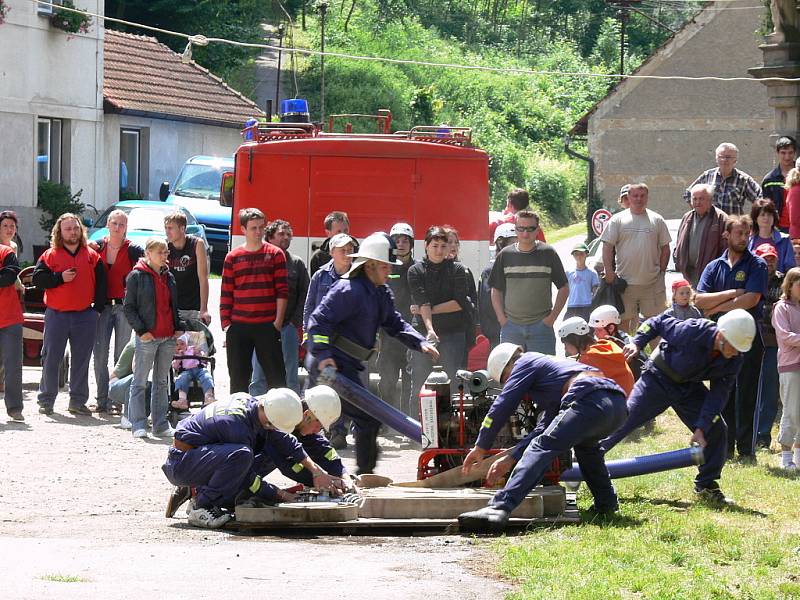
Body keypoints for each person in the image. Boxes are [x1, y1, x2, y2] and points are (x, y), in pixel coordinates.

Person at [306, 233, 440, 474]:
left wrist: (420, 343)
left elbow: (395, 324)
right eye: (386, 266)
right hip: (329, 368)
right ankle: (355, 473)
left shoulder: (380, 293)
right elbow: (318, 322)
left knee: (362, 419)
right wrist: (324, 354)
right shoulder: (347, 290)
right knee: (317, 418)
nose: (389, 272)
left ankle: (362, 474)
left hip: (348, 367)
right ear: (370, 265)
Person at [457, 344, 627, 531]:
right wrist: (510, 458)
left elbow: (502, 404)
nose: (510, 384)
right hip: (616, 404)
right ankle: (606, 503)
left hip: (587, 398)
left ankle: (498, 508)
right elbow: (543, 428)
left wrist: (481, 445)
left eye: (506, 380)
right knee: (587, 449)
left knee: (540, 447)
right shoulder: (553, 372)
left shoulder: (525, 362)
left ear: (508, 365)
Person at [601, 310, 755, 505]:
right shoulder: (693, 330)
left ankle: (706, 485)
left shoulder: (735, 359)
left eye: (739, 349)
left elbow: (719, 395)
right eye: (733, 346)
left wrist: (701, 427)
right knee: (623, 420)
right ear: (721, 334)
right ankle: (584, 462)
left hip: (688, 388)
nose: (735, 352)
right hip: (658, 378)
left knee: (716, 430)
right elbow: (657, 321)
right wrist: (637, 342)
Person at [162, 389, 343, 529]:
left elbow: (286, 441)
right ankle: (200, 506)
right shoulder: (236, 428)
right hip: (181, 464)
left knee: (255, 454)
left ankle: (199, 490)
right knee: (242, 457)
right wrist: (280, 495)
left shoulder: (258, 407)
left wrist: (316, 472)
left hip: (195, 456)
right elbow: (247, 478)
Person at [696, 214, 768, 460]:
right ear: (726, 235)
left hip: (748, 336)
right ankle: (724, 446)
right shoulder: (714, 266)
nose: (744, 237)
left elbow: (751, 299)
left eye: (747, 233)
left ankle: (746, 449)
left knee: (746, 391)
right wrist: (732, 293)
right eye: (739, 233)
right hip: (720, 338)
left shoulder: (756, 264)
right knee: (721, 390)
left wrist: (716, 307)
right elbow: (699, 299)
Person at [33, 213, 106, 416]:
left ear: (80, 230)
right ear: (60, 232)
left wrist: (97, 310)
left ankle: (77, 401)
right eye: (68, 229)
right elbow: (38, 279)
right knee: (50, 358)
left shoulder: (92, 256)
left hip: (85, 315)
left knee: (81, 360)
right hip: (57, 315)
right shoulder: (50, 255)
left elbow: (102, 284)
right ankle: (46, 400)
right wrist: (59, 278)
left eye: (75, 228)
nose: (72, 232)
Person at [124, 237, 186, 439]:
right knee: (140, 381)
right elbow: (129, 308)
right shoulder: (136, 276)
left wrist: (178, 327)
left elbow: (172, 305)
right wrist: (142, 331)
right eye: (160, 252)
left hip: (167, 336)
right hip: (147, 337)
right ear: (148, 254)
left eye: (166, 252)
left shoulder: (169, 276)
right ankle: (138, 424)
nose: (164, 256)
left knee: (161, 382)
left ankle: (160, 424)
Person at [221, 208, 287, 394]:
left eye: (261, 227)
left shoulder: (275, 254)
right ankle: (238, 420)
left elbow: (282, 291)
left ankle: (281, 421)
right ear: (243, 229)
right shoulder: (232, 257)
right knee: (238, 382)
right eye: (253, 228)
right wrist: (227, 324)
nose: (258, 232)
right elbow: (226, 291)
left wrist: (278, 322)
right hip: (239, 326)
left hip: (267, 325)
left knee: (277, 381)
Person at [408, 226, 471, 406]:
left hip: (453, 333)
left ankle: (455, 429)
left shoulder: (458, 269)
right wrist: (430, 330)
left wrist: (425, 309)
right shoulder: (415, 271)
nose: (439, 250)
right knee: (419, 383)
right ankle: (415, 429)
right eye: (435, 246)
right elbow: (423, 301)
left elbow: (458, 303)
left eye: (443, 246)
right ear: (426, 246)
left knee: (453, 380)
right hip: (422, 334)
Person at [490, 210, 568, 354]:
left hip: (542, 328)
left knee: (543, 374)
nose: (525, 234)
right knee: (511, 374)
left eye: (530, 229)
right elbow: (496, 290)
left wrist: (551, 320)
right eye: (521, 229)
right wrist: (502, 320)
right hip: (511, 328)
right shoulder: (505, 255)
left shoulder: (548, 253)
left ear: (537, 230)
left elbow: (564, 287)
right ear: (515, 229)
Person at [90, 209, 143, 414]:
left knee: (121, 356)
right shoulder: (98, 247)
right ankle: (102, 399)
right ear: (108, 225)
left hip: (124, 307)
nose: (118, 228)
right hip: (102, 307)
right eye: (114, 224)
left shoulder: (133, 250)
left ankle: (116, 400)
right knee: (100, 354)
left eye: (122, 225)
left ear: (126, 228)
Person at [600, 183, 671, 333]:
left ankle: (653, 356)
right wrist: (609, 271)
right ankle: (626, 356)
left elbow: (665, 248)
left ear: (647, 197)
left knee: (655, 327)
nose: (638, 199)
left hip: (652, 284)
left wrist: (662, 272)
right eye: (635, 196)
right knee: (622, 328)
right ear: (629, 197)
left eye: (642, 195)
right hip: (624, 285)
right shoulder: (617, 220)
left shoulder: (657, 220)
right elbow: (607, 246)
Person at [249, 219, 309, 395]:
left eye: (289, 234)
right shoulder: (260, 261)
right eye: (281, 234)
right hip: (262, 327)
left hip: (287, 328)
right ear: (270, 237)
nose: (286, 237)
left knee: (290, 375)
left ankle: (293, 412)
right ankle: (255, 411)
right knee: (258, 375)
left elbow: (305, 294)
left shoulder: (296, 264)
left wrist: (294, 323)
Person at [377, 223, 416, 415]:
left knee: (410, 380)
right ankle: (388, 420)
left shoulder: (417, 268)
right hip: (388, 334)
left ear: (411, 244)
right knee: (387, 379)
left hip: (410, 333)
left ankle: (407, 420)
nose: (401, 244)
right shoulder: (384, 267)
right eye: (397, 240)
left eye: (405, 240)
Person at [753, 243, 784, 448]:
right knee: (750, 387)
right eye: (765, 258)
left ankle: (763, 435)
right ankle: (748, 432)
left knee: (770, 389)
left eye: (772, 258)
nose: (769, 262)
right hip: (752, 340)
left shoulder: (785, 281)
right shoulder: (753, 277)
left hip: (774, 342)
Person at [558, 317, 634, 396]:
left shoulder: (587, 360)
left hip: (619, 400)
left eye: (565, 343)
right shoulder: (606, 343)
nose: (565, 348)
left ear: (574, 340)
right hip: (629, 395)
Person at [683, 142, 762, 215]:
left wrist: (753, 221)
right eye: (721, 157)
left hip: (732, 227)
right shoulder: (708, 176)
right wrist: (700, 213)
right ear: (716, 159)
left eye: (728, 157)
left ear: (735, 160)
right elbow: (688, 194)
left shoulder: (743, 180)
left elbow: (760, 199)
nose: (724, 160)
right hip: (710, 226)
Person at [673, 183, 729, 287]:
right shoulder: (687, 217)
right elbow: (678, 242)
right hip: (688, 274)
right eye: (695, 199)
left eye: (701, 199)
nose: (697, 202)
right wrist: (677, 258)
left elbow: (726, 249)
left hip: (710, 275)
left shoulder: (721, 219)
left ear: (710, 200)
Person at [772, 267, 800, 470]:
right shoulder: (781, 307)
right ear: (790, 285)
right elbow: (785, 336)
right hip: (790, 365)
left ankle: (797, 459)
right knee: (791, 410)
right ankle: (786, 458)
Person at [165, 211, 211, 324]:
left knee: (195, 340)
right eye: (165, 228)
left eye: (170, 228)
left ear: (182, 229)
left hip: (193, 307)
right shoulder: (165, 246)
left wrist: (204, 309)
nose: (167, 232)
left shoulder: (196, 244)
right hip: (173, 307)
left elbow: (203, 278)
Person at [478, 223, 517, 350]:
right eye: (513, 242)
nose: (518, 247)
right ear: (500, 244)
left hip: (523, 333)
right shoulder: (490, 272)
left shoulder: (523, 269)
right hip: (499, 336)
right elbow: (487, 306)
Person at [589, 304, 646, 380]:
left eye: (599, 330)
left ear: (611, 328)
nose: (595, 333)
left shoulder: (627, 349)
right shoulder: (599, 341)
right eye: (594, 329)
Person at [0, 235, 23, 421]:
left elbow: (10, 275)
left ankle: (14, 408)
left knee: (13, 365)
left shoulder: (6, 252)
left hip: (9, 318)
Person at [748, 198, 796, 274]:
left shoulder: (785, 240)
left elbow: (790, 269)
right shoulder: (748, 241)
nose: (766, 218)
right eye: (762, 215)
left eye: (769, 215)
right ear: (755, 219)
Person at [171, 333, 215, 409]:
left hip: (199, 369)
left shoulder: (193, 349)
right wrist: (179, 358)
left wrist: (198, 354)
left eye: (182, 344)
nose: (179, 346)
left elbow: (205, 360)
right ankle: (182, 400)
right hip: (186, 371)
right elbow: (175, 366)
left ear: (186, 344)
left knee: (207, 377)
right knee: (181, 378)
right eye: (177, 345)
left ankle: (208, 397)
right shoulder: (177, 355)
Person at [761, 136, 796, 229]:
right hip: (779, 229)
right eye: (783, 153)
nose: (787, 157)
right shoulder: (769, 180)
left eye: (790, 153)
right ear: (777, 153)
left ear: (795, 153)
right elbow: (766, 208)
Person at [565, 242, 599, 322]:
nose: (579, 256)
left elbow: (595, 292)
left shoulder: (592, 273)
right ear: (573, 256)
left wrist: (594, 306)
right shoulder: (568, 273)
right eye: (576, 254)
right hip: (572, 306)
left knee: (586, 329)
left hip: (586, 306)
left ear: (586, 254)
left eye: (581, 254)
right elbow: (564, 290)